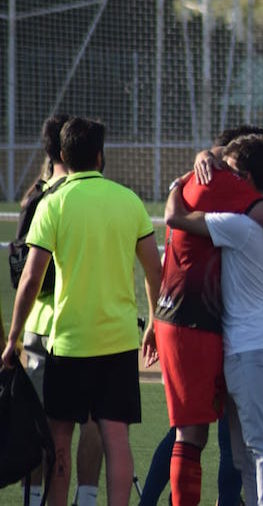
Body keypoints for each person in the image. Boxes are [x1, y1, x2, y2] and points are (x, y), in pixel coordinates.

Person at [2, 117, 164, 506]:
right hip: (120, 340)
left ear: (61, 156)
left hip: (70, 342)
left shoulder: (53, 203)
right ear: (100, 155)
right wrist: (155, 322)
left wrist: (13, 338)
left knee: (59, 439)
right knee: (116, 438)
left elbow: (30, 279)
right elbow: (154, 272)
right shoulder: (129, 201)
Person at [153, 127, 263, 506]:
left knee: (254, 441)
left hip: (244, 347)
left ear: (242, 178)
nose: (219, 174)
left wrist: (180, 180)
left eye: (228, 169)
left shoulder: (239, 223)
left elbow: (175, 218)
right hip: (239, 343)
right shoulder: (249, 220)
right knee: (242, 445)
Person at [11, 115, 103, 506]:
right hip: (92, 328)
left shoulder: (36, 197)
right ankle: (84, 498)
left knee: (42, 426)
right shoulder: (93, 195)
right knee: (94, 422)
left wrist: (12, 336)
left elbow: (23, 276)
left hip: (42, 324)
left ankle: (38, 499)